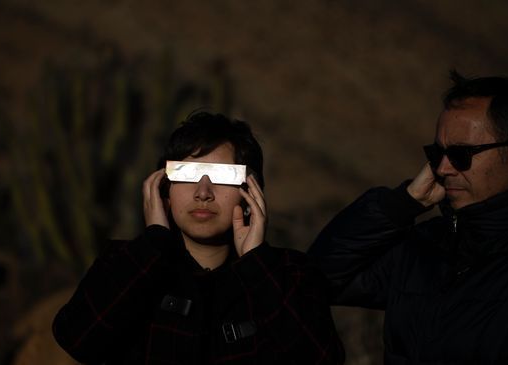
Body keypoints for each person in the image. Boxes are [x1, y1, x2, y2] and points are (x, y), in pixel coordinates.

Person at [53, 111, 345, 364]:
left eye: (222, 177)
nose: (202, 192)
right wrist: (154, 242)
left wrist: (256, 264)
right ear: (164, 190)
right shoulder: (127, 264)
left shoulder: (289, 273)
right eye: (187, 173)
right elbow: (77, 340)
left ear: (251, 191)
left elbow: (320, 359)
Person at [308, 71, 508, 364]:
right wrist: (402, 203)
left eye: (462, 154)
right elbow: (314, 281)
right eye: (437, 153)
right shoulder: (424, 246)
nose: (444, 168)